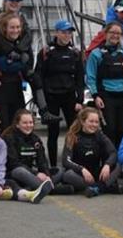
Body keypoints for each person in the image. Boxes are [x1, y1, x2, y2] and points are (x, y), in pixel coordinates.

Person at [0, 12, 55, 129]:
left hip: (16, 88)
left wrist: (22, 61)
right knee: (4, 128)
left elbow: (28, 64)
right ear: (5, 28)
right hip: (0, 91)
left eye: (18, 27)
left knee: (17, 127)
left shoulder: (22, 44)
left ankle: (44, 111)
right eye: (12, 27)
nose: (15, 30)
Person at [35, 19, 85, 167]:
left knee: (73, 131)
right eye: (64, 32)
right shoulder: (46, 52)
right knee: (53, 132)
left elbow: (80, 78)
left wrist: (79, 100)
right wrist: (41, 102)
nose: (67, 35)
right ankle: (53, 165)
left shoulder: (75, 53)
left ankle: (73, 162)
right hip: (51, 96)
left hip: (69, 96)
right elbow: (39, 77)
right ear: (56, 33)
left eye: (69, 32)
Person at [85, 22, 123, 146]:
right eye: (112, 32)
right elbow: (91, 78)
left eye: (118, 33)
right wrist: (95, 95)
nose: (115, 35)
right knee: (109, 130)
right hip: (106, 97)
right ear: (106, 34)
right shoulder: (96, 54)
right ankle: (110, 160)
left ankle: (122, 160)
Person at [2, 109, 69, 194]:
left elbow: (42, 161)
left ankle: (35, 187)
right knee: (20, 171)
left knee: (59, 170)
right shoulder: (9, 139)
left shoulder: (35, 139)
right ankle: (51, 189)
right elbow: (14, 163)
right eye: (25, 123)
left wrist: (46, 175)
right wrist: (36, 173)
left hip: (32, 175)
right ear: (17, 125)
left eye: (30, 122)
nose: (28, 125)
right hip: (14, 174)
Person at [61, 107, 121, 197]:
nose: (94, 125)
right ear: (82, 122)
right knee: (67, 174)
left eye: (96, 122)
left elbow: (113, 152)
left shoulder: (100, 135)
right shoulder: (72, 136)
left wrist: (107, 165)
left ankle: (96, 188)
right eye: (91, 121)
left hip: (96, 174)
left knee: (118, 165)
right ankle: (103, 187)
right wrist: (82, 170)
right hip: (80, 175)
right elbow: (66, 161)